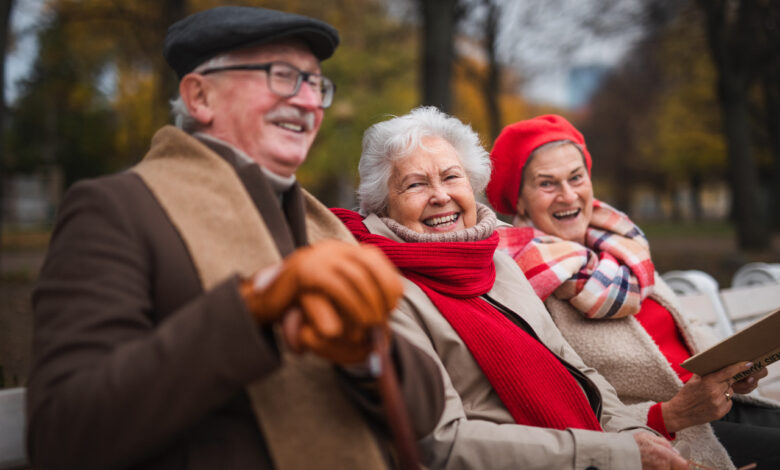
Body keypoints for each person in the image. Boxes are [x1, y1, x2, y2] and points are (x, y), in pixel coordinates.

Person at [26, 7, 445, 470]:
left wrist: (364, 356)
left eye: (316, 84)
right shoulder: (117, 208)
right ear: (200, 96)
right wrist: (253, 304)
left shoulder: (328, 226)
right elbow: (63, 433)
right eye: (282, 76)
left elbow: (425, 413)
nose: (309, 102)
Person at [332, 106, 690, 470]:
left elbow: (577, 371)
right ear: (382, 205)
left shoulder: (497, 261)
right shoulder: (382, 292)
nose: (440, 196)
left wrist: (631, 433)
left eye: (451, 177)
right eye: (415, 184)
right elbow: (442, 443)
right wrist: (613, 453)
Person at [486, 114, 780, 470]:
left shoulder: (624, 247)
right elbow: (560, 410)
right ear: (518, 201)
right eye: (547, 184)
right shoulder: (522, 282)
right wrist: (669, 414)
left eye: (576, 177)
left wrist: (735, 371)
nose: (568, 195)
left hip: (722, 405)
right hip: (665, 433)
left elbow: (688, 327)